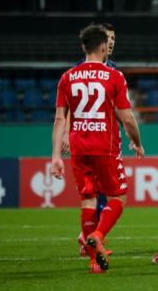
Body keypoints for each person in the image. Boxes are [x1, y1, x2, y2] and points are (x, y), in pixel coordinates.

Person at [51, 24, 145, 273]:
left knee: (88, 200)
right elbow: (127, 118)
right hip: (106, 146)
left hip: (79, 148)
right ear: (104, 46)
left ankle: (94, 261)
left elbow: (60, 119)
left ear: (83, 47)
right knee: (118, 197)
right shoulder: (114, 76)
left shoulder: (67, 77)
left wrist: (55, 157)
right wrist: (137, 140)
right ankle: (99, 235)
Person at [64, 22, 118, 257]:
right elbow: (69, 109)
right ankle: (89, 240)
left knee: (101, 196)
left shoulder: (113, 68)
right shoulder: (81, 70)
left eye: (114, 37)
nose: (112, 41)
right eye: (108, 37)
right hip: (88, 140)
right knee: (100, 195)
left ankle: (92, 240)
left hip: (107, 140)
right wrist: (67, 133)